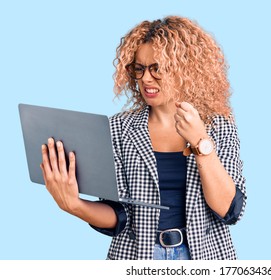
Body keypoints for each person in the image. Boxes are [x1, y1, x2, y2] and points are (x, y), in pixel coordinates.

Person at [40, 16, 246, 260]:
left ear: (185, 68)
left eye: (157, 68)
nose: (146, 79)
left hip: (206, 257)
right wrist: (75, 206)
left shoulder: (218, 126)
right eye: (140, 68)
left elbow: (229, 211)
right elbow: (119, 215)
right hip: (135, 258)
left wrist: (201, 143)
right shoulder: (118, 128)